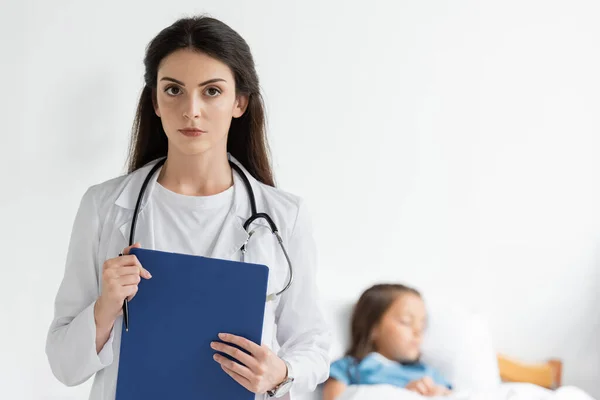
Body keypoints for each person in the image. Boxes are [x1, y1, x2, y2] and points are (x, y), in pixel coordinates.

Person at [45, 15, 330, 400]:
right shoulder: (104, 206)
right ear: (155, 102)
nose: (191, 109)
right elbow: (64, 364)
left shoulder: (284, 216)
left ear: (240, 102)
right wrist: (105, 307)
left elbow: (312, 342)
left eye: (211, 91)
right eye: (174, 90)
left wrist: (281, 373)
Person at [322, 284, 452, 400]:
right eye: (406, 321)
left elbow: (454, 395)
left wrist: (439, 392)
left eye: (422, 325)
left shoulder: (428, 373)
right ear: (373, 328)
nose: (418, 331)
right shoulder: (349, 368)